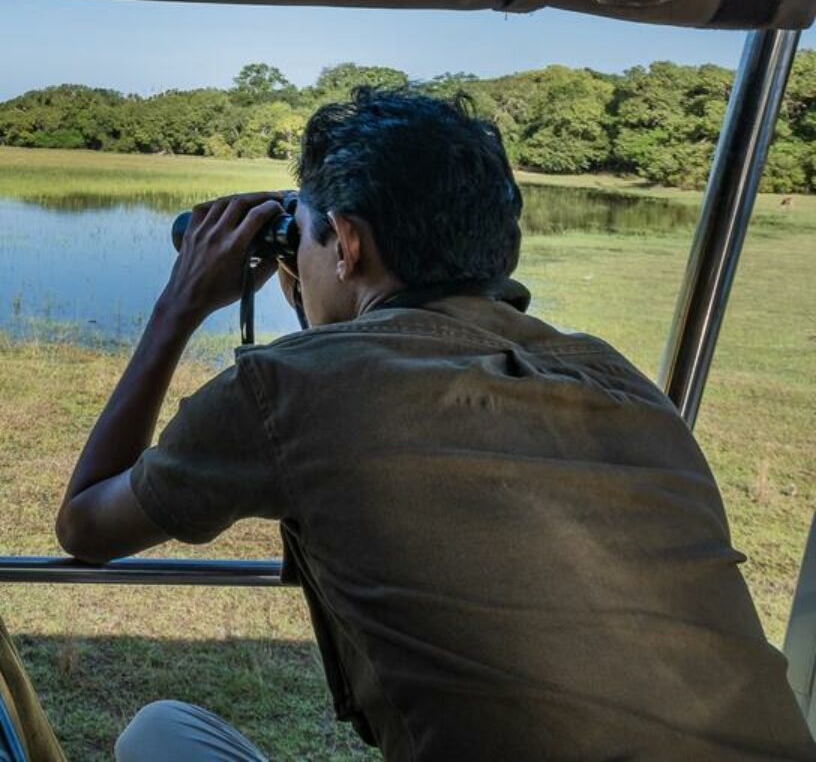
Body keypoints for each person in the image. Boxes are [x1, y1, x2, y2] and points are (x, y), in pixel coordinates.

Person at [55, 88, 816, 762]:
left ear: (347, 245)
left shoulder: (291, 388)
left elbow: (86, 523)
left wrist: (179, 304)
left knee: (159, 734)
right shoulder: (619, 381)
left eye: (306, 234)